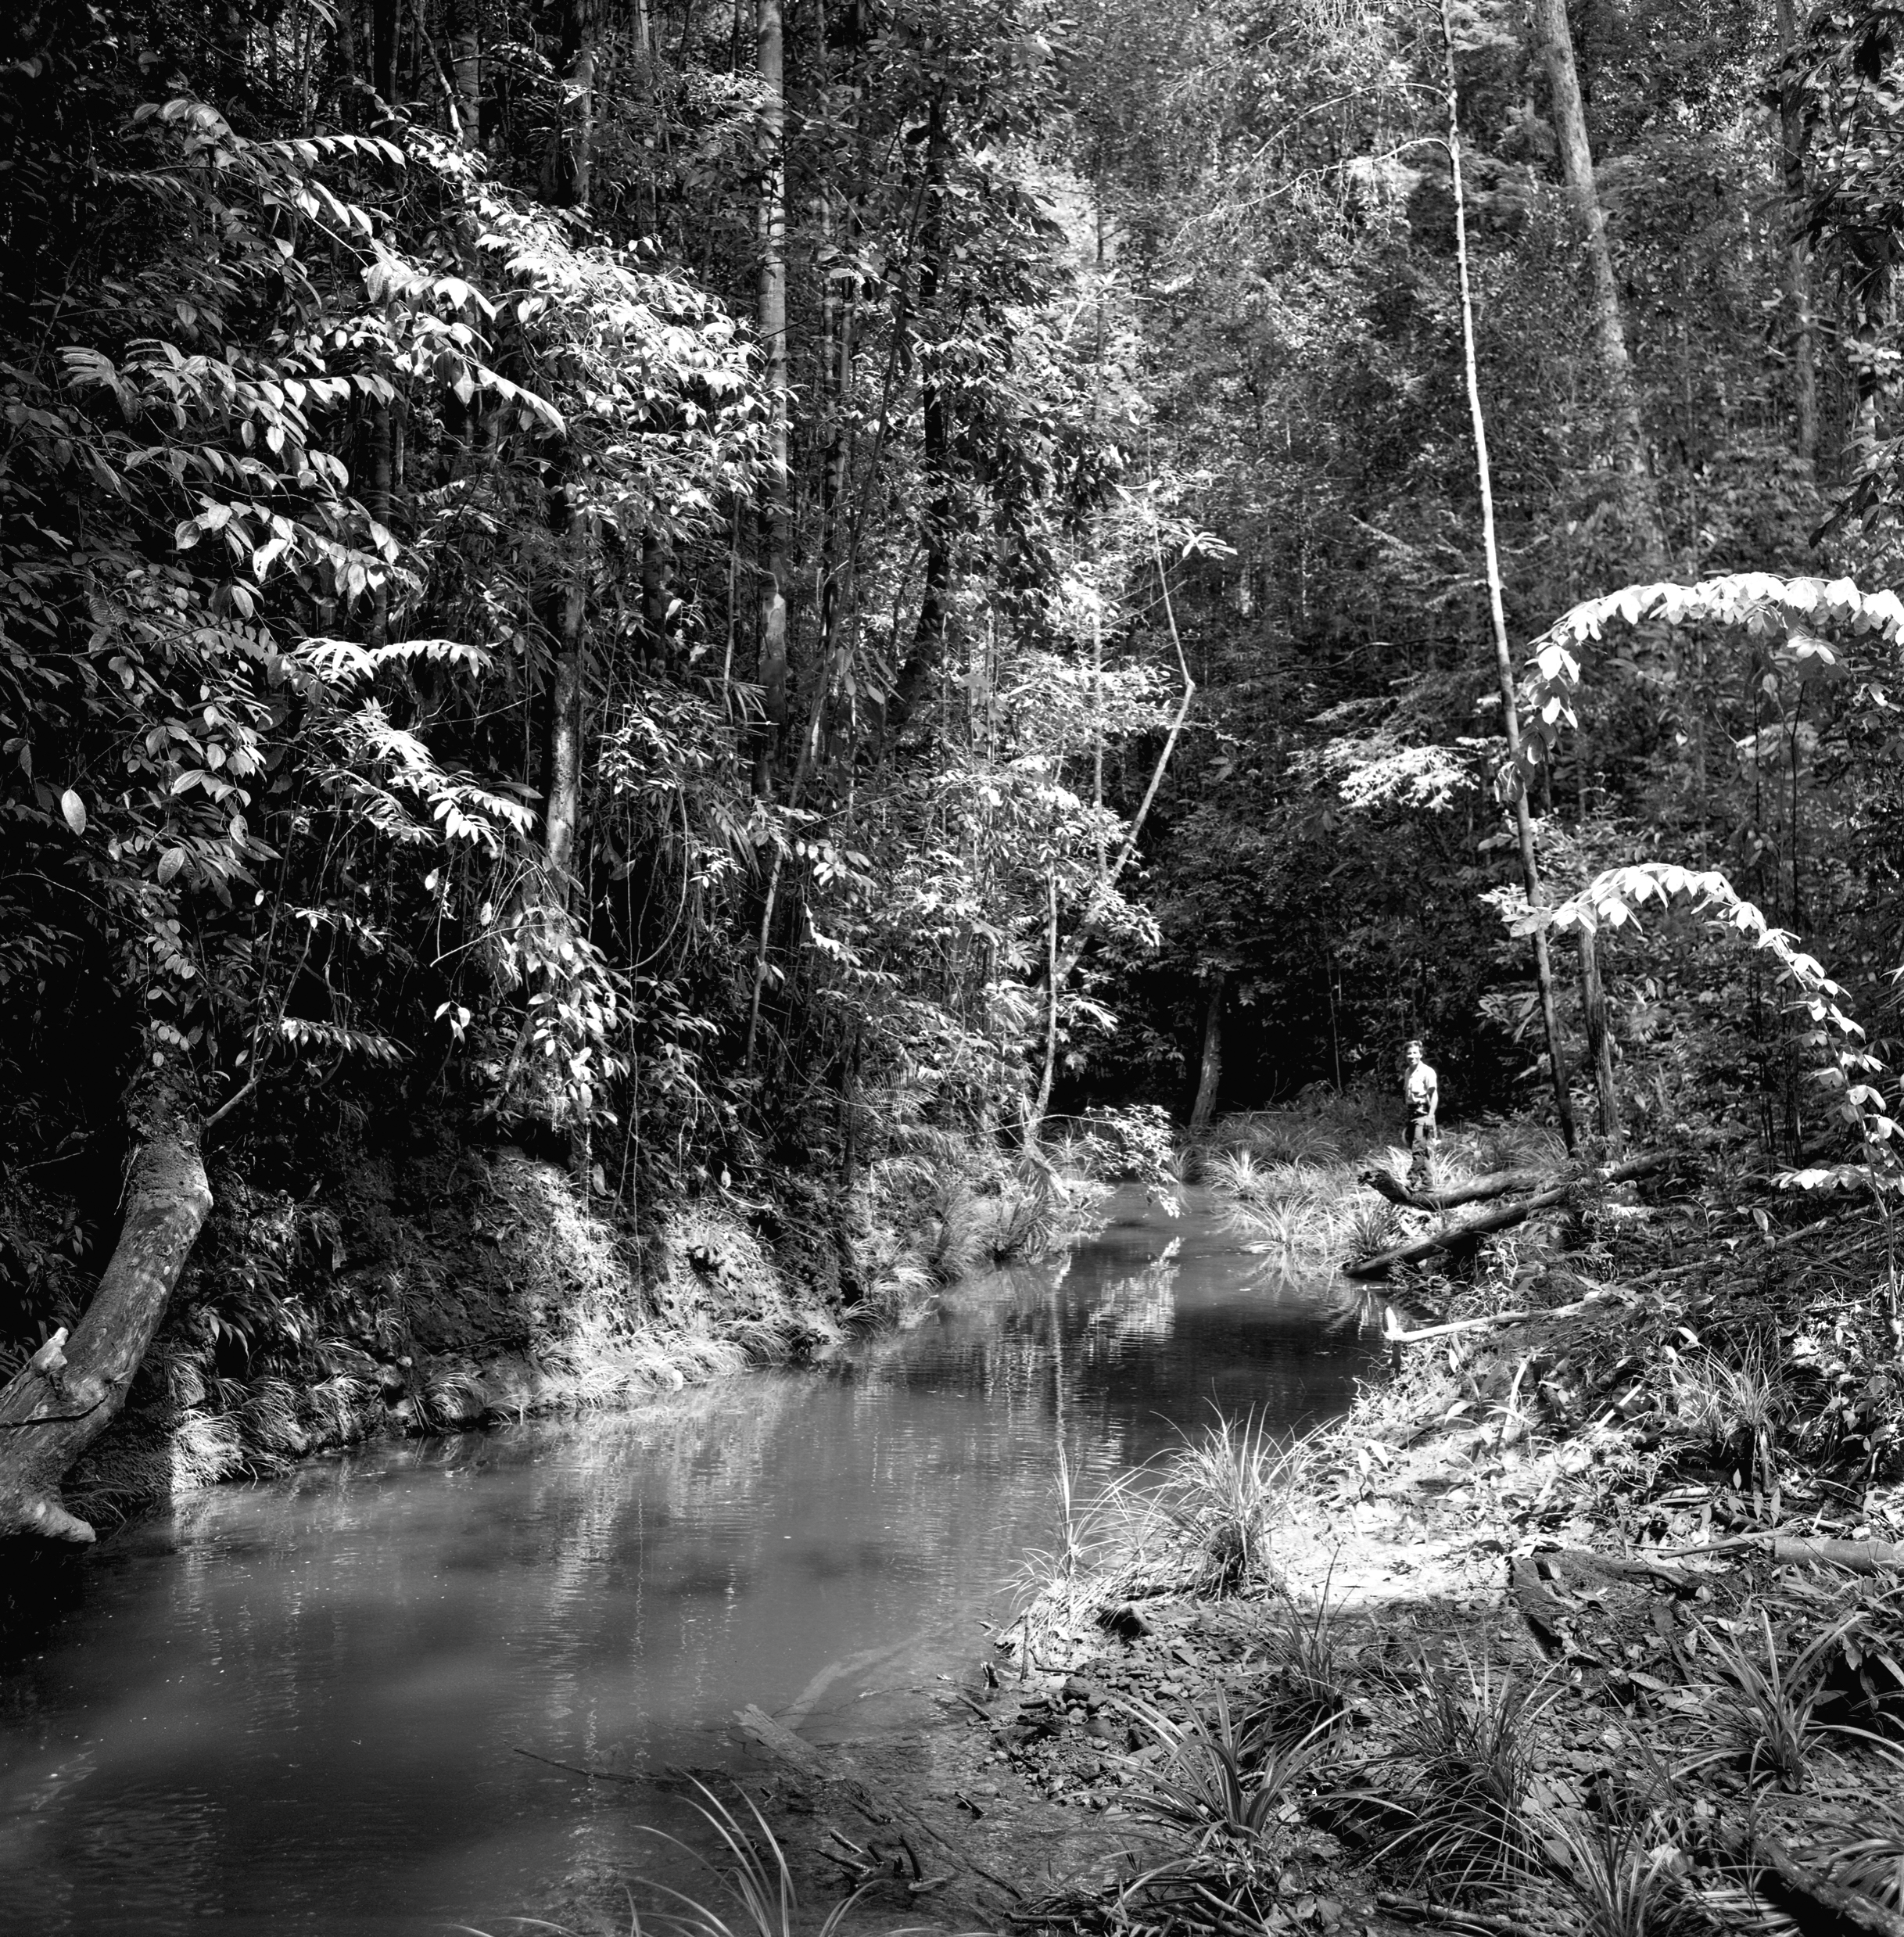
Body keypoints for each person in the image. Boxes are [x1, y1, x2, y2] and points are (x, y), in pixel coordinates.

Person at [1403, 1039, 1439, 1151]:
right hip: (1411, 1115)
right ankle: (1426, 1169)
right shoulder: (1407, 1072)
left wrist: (1430, 1117)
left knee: (1419, 1149)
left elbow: (1434, 1096)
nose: (1412, 1056)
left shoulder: (1427, 1072)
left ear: (1421, 1054)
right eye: (1409, 1053)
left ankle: (1417, 1169)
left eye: (1415, 1053)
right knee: (1416, 1148)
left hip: (1423, 1115)